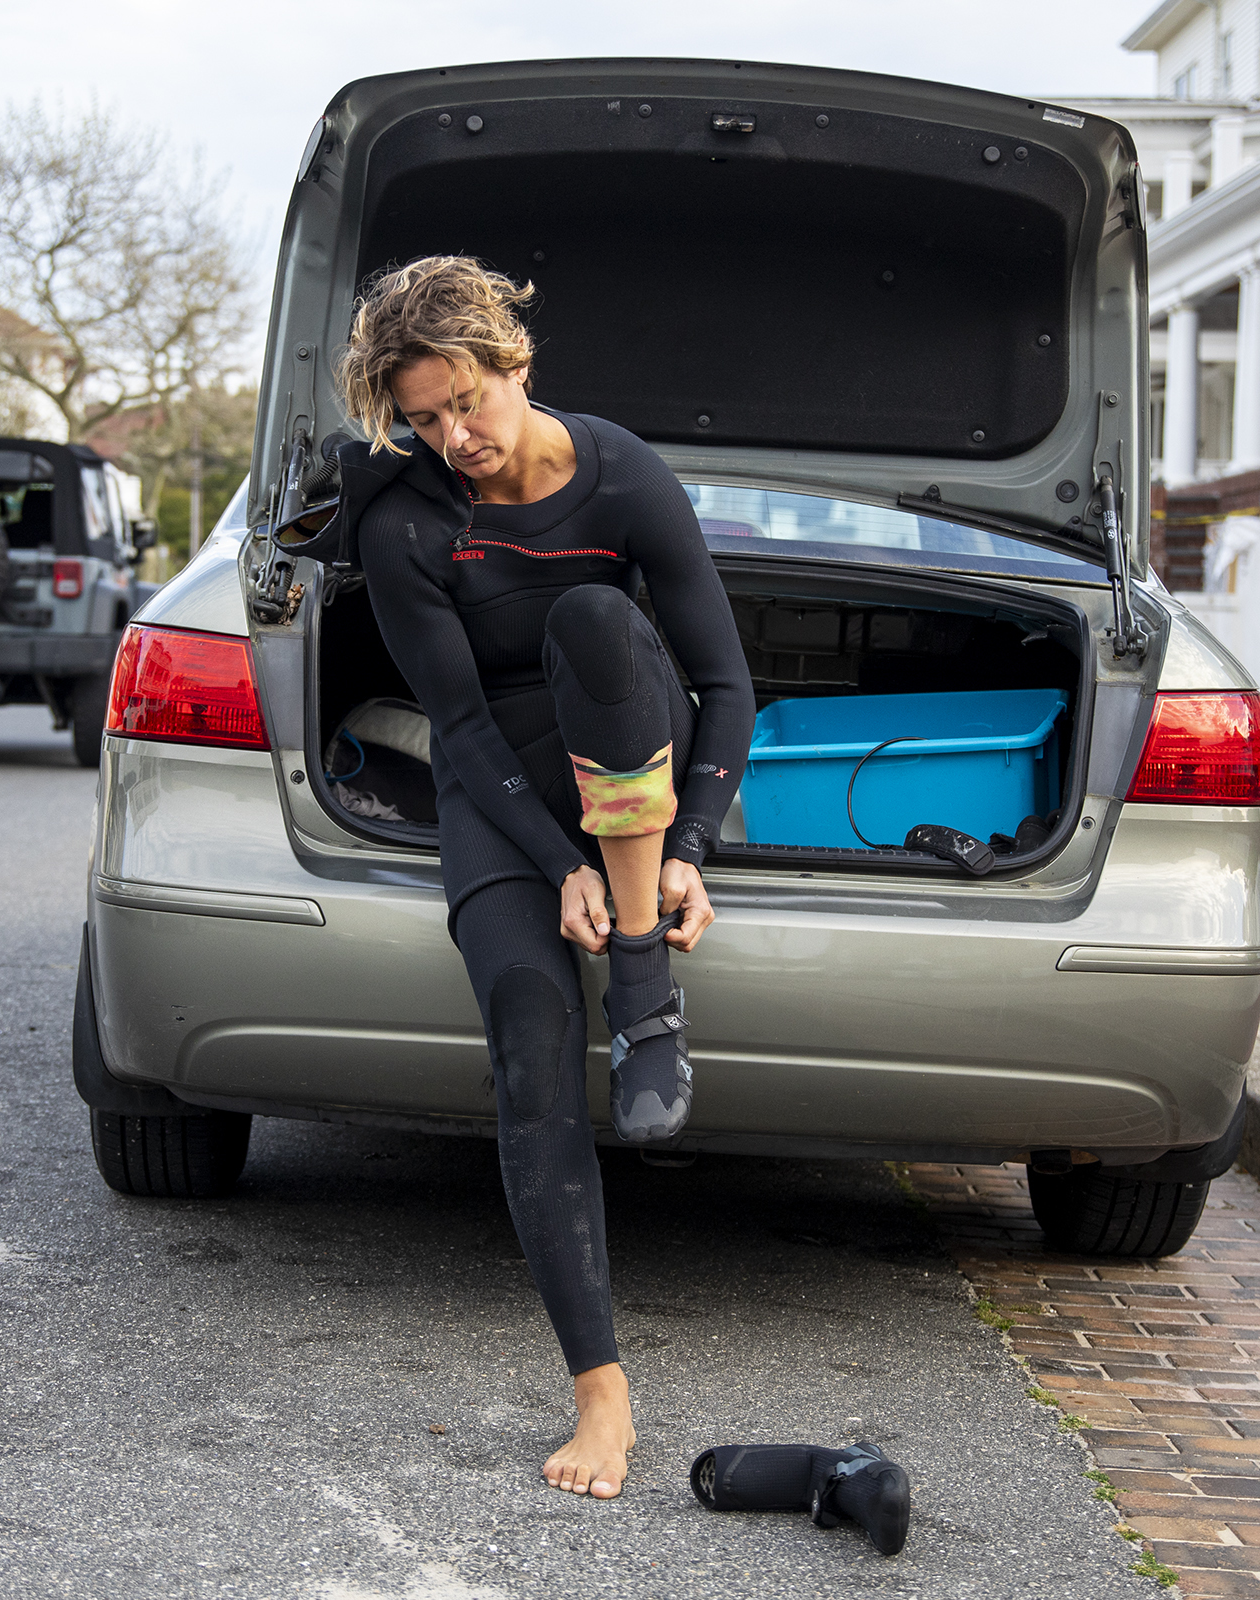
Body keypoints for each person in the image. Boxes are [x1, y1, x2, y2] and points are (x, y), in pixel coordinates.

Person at [332, 257, 755, 1499]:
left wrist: (684, 852)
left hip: (629, 727)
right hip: (503, 791)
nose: (451, 438)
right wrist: (555, 860)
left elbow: (727, 686)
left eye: (466, 402)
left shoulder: (623, 475)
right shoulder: (407, 519)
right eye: (419, 419)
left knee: (590, 624)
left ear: (516, 361)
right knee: (524, 1030)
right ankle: (601, 1391)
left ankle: (644, 988)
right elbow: (457, 728)